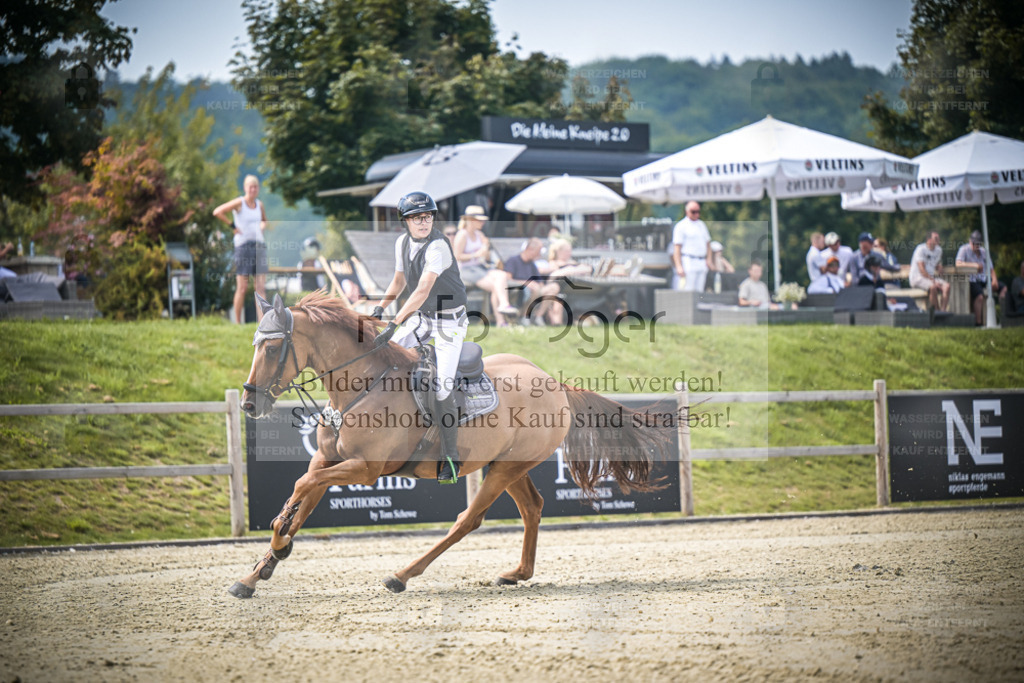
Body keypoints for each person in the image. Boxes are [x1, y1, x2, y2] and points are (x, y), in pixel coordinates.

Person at [371, 191, 466, 484]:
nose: (423, 222)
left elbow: (422, 290)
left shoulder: (439, 247)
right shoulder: (402, 243)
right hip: (423, 318)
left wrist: (394, 322)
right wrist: (381, 307)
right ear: (406, 222)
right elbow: (399, 281)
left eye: (427, 217)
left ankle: (451, 457)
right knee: (385, 357)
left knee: (441, 387)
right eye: (416, 218)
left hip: (449, 324)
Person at [214, 174, 269, 324]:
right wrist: (233, 227)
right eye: (250, 187)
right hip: (243, 247)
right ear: (245, 188)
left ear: (258, 189)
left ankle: (263, 322)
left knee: (260, 288)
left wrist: (262, 228)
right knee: (242, 287)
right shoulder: (240, 203)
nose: (253, 189)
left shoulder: (260, 204)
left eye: (255, 187)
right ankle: (237, 323)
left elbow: (264, 221)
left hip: (259, 246)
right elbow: (217, 211)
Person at [452, 205, 519, 325]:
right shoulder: (462, 235)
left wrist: (486, 248)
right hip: (467, 270)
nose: (482, 222)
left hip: (480, 268)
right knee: (496, 287)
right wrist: (476, 254)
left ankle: (504, 306)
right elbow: (457, 256)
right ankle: (501, 320)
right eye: (479, 220)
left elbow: (487, 257)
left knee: (501, 276)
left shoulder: (479, 235)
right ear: (470, 220)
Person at [503, 237, 563, 325]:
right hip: (519, 291)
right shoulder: (513, 260)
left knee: (554, 287)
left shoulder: (532, 264)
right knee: (535, 287)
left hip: (535, 291)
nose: (539, 255)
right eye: (538, 251)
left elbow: (540, 283)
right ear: (530, 249)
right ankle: (524, 316)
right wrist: (525, 283)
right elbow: (507, 278)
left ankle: (538, 316)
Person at [955, 230, 1005, 326]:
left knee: (1003, 288)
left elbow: (991, 269)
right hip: (971, 280)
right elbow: (958, 264)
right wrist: (975, 265)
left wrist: (994, 280)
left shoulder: (984, 252)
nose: (975, 246)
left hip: (983, 278)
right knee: (980, 297)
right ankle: (978, 323)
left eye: (977, 244)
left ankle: (1004, 318)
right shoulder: (964, 249)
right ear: (970, 242)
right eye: (974, 243)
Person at [670, 201, 712, 292]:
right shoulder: (681, 226)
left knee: (699, 291)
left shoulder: (701, 225)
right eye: (693, 212)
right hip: (688, 261)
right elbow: (677, 248)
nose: (696, 214)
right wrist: (679, 266)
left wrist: (708, 259)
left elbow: (708, 244)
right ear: (687, 211)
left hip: (701, 261)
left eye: (698, 212)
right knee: (688, 290)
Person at [909, 230, 950, 312]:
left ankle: (943, 311)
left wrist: (939, 266)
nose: (939, 240)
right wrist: (934, 281)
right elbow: (922, 270)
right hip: (917, 278)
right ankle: (936, 312)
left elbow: (935, 262)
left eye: (939, 238)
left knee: (947, 286)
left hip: (929, 278)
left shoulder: (939, 250)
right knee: (933, 287)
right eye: (936, 238)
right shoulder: (920, 249)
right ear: (929, 240)